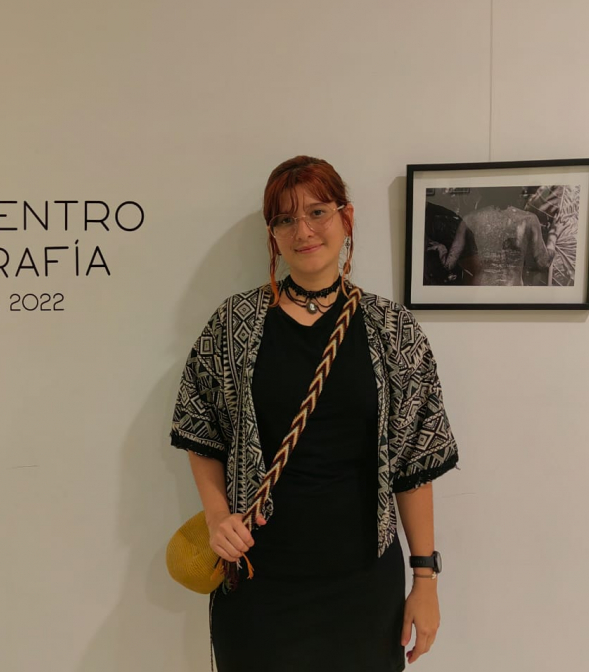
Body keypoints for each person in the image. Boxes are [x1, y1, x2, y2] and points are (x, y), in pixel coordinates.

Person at [170, 156, 460, 672]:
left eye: (317, 212)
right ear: (272, 234)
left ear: (346, 218)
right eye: (285, 219)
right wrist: (216, 518)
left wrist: (425, 580)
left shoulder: (392, 330)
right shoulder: (234, 325)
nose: (302, 231)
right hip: (258, 580)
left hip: (363, 583)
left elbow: (415, 465)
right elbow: (201, 431)